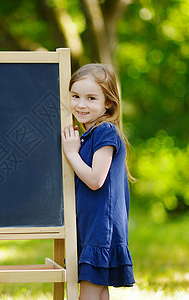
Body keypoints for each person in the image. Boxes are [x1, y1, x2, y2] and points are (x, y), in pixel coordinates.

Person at [61, 63, 135, 300]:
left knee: (89, 293)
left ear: (108, 103)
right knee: (99, 291)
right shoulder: (90, 134)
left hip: (102, 226)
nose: (81, 104)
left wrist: (72, 153)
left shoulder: (105, 131)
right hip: (91, 223)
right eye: (75, 96)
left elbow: (95, 180)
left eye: (91, 98)